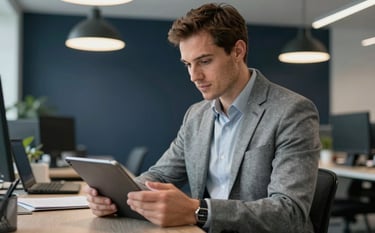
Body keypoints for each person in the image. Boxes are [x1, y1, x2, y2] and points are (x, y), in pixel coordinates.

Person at [85, 3, 321, 233]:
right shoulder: (196, 115)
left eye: (205, 61)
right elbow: (160, 175)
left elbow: (289, 213)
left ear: (238, 51)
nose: (194, 76)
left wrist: (198, 211)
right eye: (188, 64)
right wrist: (115, 196)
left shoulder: (292, 111)